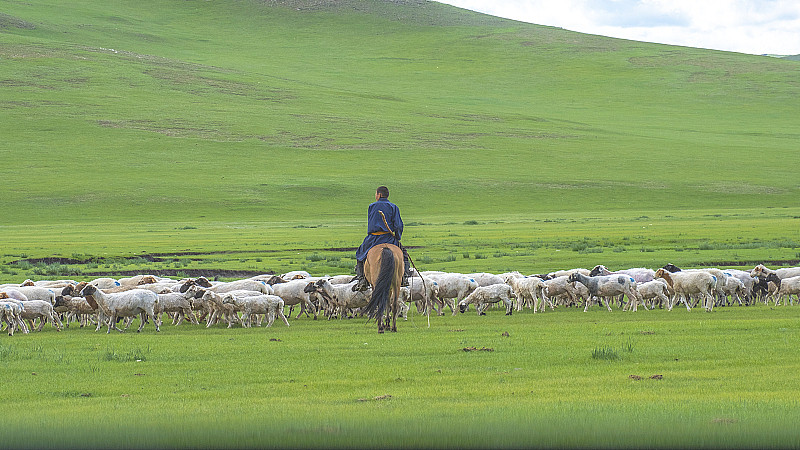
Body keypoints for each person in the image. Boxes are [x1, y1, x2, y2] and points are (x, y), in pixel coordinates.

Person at [353, 186, 411, 291]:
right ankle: (404, 277)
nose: (375, 196)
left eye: (376, 194)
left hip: (373, 239)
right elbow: (398, 225)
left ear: (379, 195)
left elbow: (371, 224)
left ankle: (362, 280)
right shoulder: (394, 207)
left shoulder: (371, 206)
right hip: (389, 238)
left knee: (360, 255)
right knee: (404, 255)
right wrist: (397, 237)